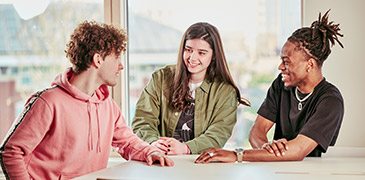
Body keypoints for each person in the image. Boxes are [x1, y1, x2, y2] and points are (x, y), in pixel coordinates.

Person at [0, 21, 173, 180]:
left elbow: (127, 142)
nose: (121, 66)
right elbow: (10, 151)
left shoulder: (108, 105)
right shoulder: (48, 101)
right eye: (116, 58)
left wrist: (150, 151)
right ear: (98, 60)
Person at [195, 9, 344, 163]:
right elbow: (256, 132)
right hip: (276, 171)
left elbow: (298, 151)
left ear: (309, 64)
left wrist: (237, 155)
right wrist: (268, 148)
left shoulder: (330, 100)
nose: (280, 67)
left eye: (286, 61)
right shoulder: (281, 84)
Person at [131, 22, 251, 155]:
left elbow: (219, 133)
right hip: (160, 160)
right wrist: (153, 142)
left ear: (214, 56)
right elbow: (142, 121)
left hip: (202, 166)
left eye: (201, 53)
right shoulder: (161, 78)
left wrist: (186, 148)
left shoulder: (225, 91)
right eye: (188, 50)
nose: (192, 58)